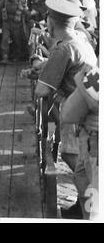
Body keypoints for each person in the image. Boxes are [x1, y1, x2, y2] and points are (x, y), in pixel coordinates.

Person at [34, 0, 97, 219]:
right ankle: (82, 208)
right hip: (91, 111)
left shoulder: (63, 49)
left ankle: (88, 209)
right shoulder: (81, 40)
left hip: (76, 113)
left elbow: (41, 91)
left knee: (76, 159)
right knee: (82, 169)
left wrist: (41, 70)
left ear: (51, 23)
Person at [60, 65, 99, 220]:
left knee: (95, 206)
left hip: (95, 146)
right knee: (83, 186)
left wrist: (80, 81)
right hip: (87, 140)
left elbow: (96, 104)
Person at [0, 0, 28, 64]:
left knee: (17, 40)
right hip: (6, 22)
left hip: (16, 23)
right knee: (5, 39)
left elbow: (25, 11)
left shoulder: (21, 0)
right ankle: (5, 57)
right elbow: (0, 11)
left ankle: (17, 56)